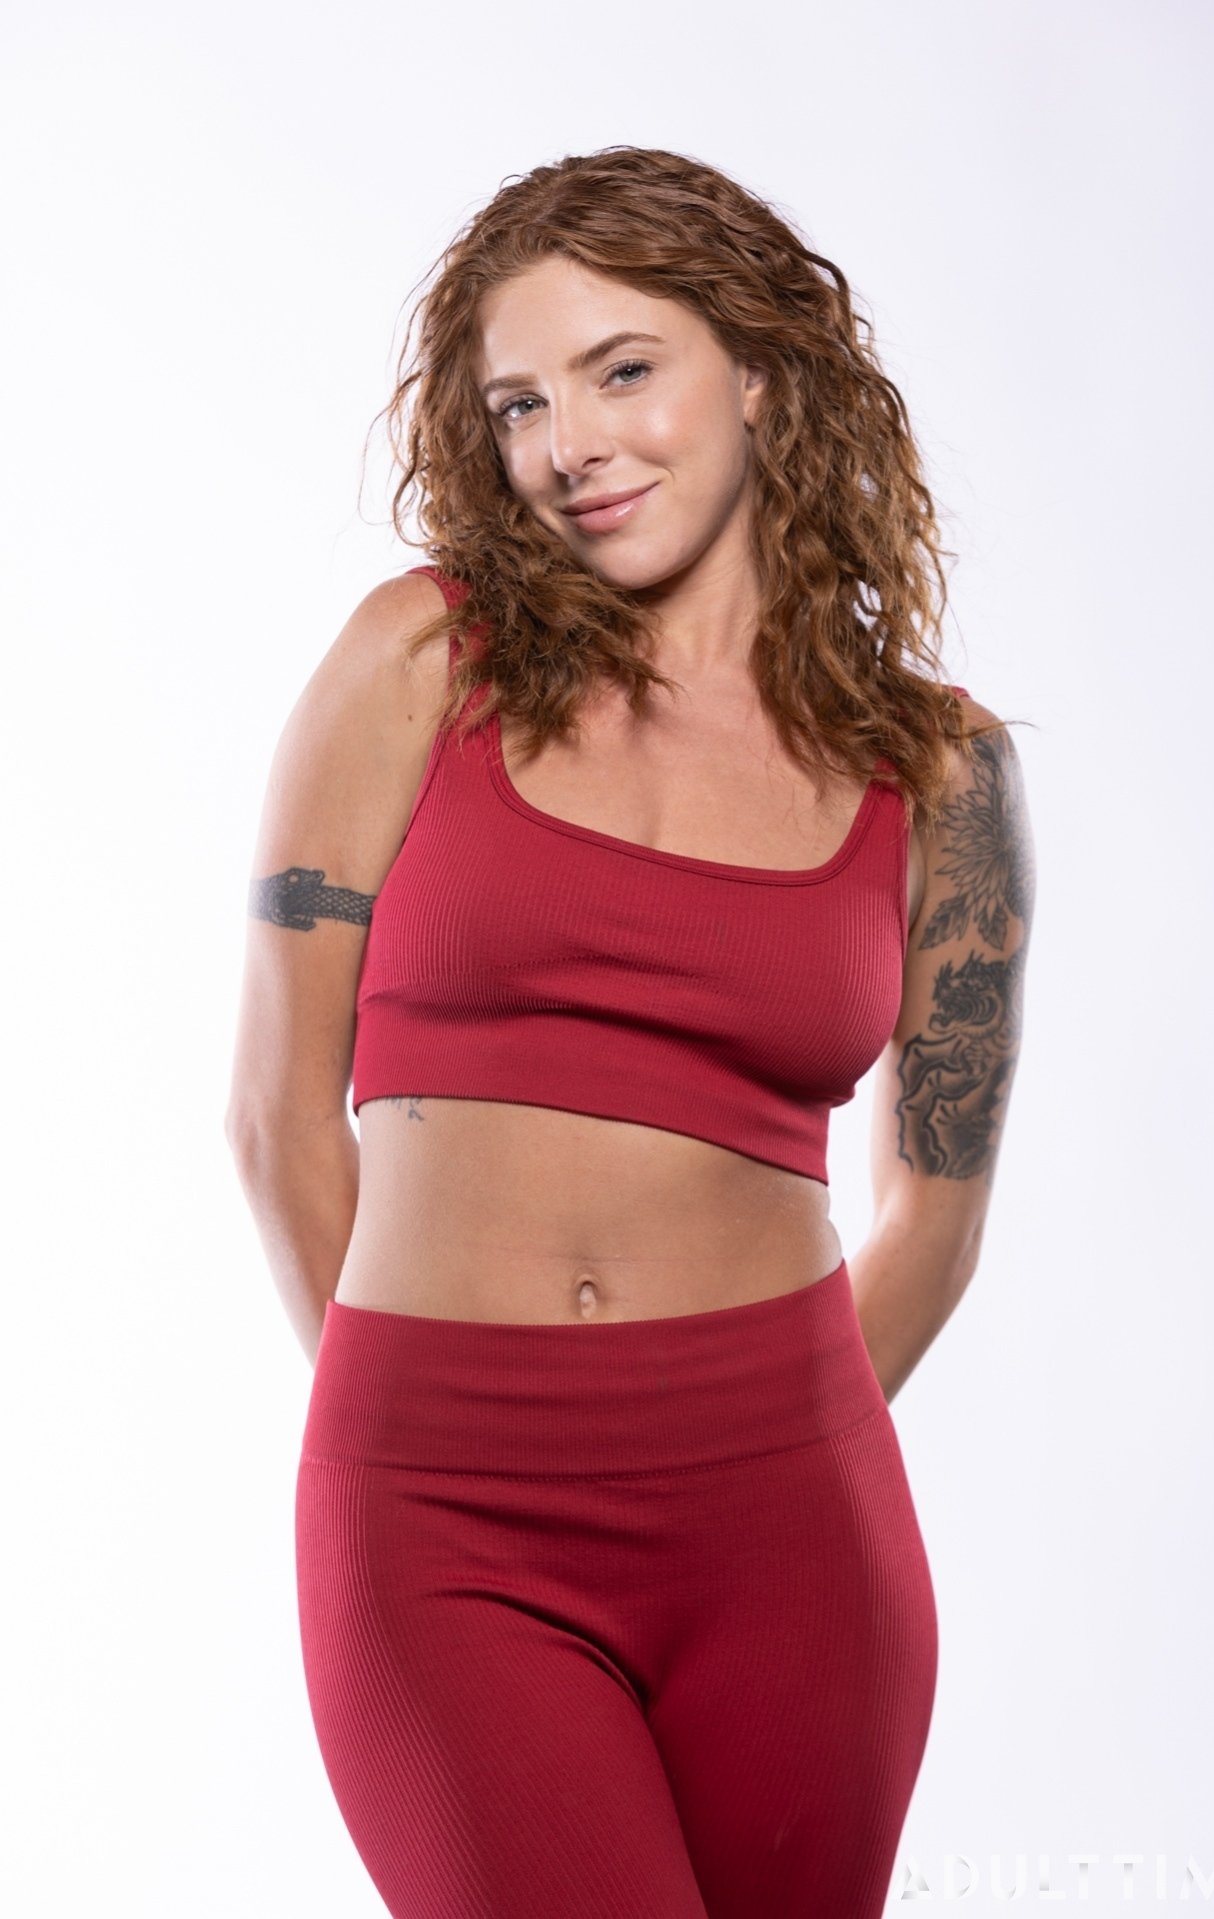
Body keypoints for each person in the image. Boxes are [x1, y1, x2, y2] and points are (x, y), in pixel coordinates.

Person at [226, 144, 1035, 1919]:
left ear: (759, 373)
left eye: (621, 371)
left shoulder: (941, 773)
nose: (567, 444)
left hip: (792, 1527)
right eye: (520, 402)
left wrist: (749, 1438)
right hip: (438, 1508)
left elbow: (936, 1211)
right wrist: (430, 1425)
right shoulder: (419, 662)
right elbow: (277, 1116)